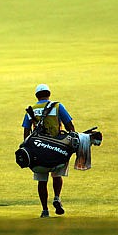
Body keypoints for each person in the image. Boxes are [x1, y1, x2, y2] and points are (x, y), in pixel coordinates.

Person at [22, 84, 75, 218]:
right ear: (49, 93)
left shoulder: (32, 109)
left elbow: (26, 131)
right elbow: (70, 126)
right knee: (57, 175)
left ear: (36, 96)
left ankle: (45, 210)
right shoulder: (57, 106)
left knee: (41, 180)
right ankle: (57, 197)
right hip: (57, 148)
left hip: (38, 150)